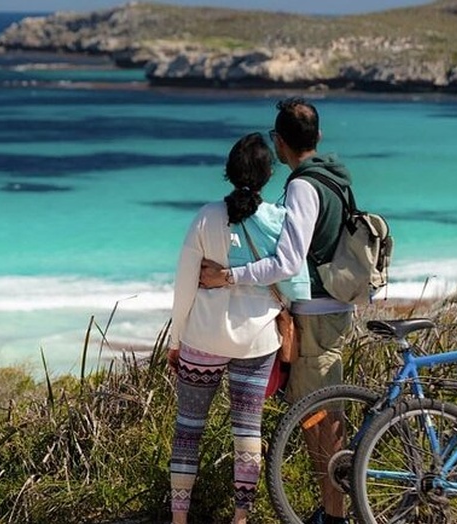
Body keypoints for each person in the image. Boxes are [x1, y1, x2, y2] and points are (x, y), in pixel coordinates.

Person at [199, 97, 355, 524]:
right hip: (334, 307)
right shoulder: (335, 178)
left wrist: (228, 277)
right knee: (325, 411)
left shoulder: (304, 186)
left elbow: (288, 262)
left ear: (279, 141)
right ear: (318, 137)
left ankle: (334, 515)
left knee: (318, 416)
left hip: (317, 310)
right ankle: (333, 510)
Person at [168, 132, 309, 524]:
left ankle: (179, 519)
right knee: (248, 432)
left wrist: (176, 339)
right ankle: (241, 518)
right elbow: (293, 278)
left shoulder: (205, 217)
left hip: (202, 337)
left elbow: (184, 287)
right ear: (268, 175)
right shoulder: (278, 220)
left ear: (228, 172)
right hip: (258, 338)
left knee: (187, 431)